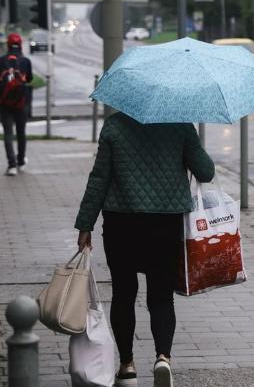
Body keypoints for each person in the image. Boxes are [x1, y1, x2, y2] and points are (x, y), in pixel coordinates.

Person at [74, 112, 214, 387]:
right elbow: (206, 172)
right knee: (161, 295)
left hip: (121, 223)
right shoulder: (180, 124)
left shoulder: (114, 126)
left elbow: (99, 178)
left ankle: (127, 366)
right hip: (166, 224)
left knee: (123, 294)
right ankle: (163, 357)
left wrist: (85, 224)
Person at [0, 33, 33, 176]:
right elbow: (29, 79)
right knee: (21, 132)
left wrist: (2, 88)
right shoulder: (25, 61)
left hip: (4, 103)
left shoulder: (0, 61)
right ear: (20, 45)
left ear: (7, 45)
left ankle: (11, 166)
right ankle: (21, 162)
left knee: (8, 133)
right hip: (22, 102)